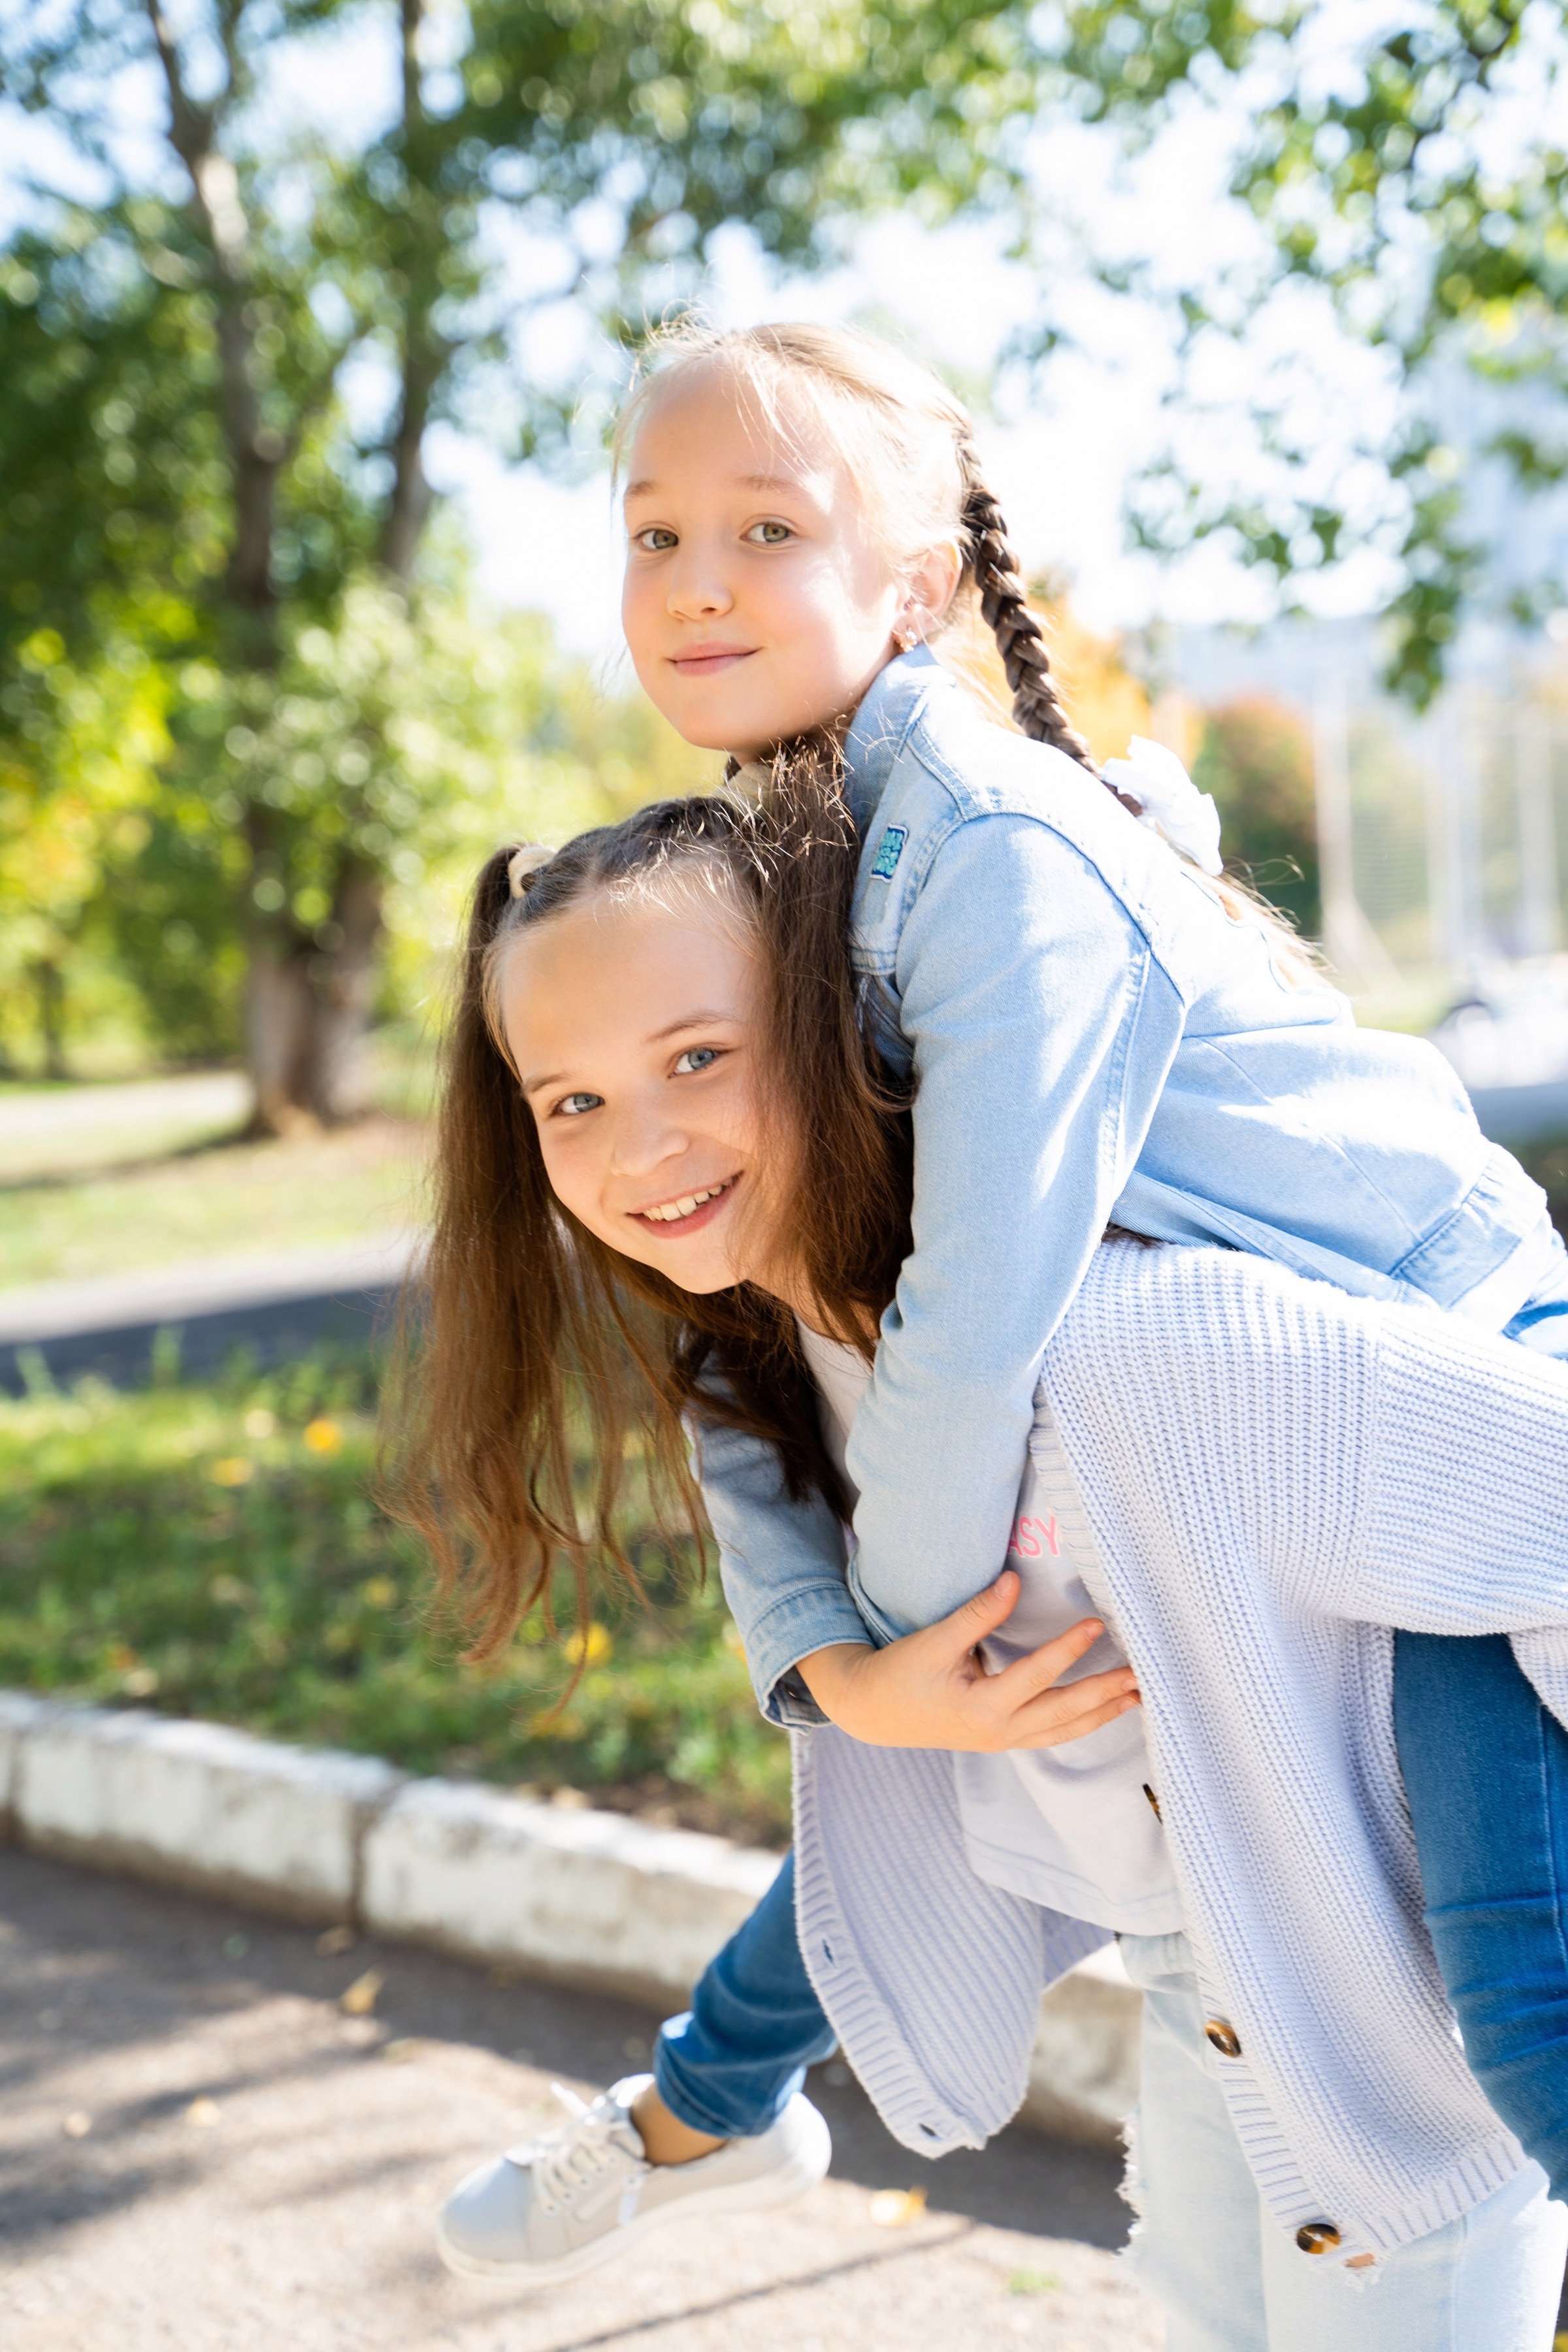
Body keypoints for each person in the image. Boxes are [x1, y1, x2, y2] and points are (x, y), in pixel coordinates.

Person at [407, 314, 1568, 2278]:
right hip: (1191, 1417)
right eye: (652, 534)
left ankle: (705, 2104)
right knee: (963, 1731)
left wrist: (892, 1648)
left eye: (765, 527)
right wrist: (848, 1672)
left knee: (1516, 1997)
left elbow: (988, 1297)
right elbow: (751, 1322)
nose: (696, 583)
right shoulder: (807, 856)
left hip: (1421, 1353)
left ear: (919, 581)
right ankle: (708, 2102)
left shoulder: (990, 848)